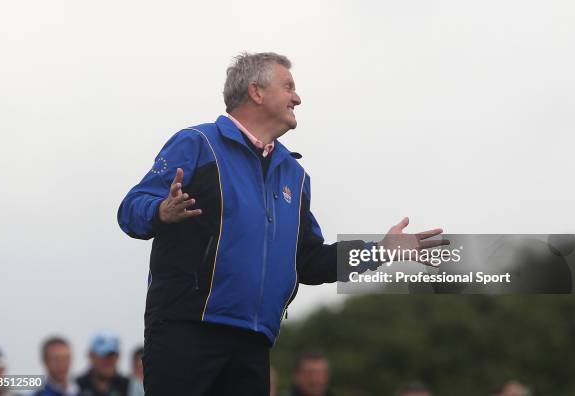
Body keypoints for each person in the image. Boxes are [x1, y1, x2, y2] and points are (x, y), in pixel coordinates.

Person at [118, 51, 447, 395]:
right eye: (288, 86)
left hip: (254, 341)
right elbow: (130, 209)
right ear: (256, 92)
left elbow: (310, 261)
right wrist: (160, 212)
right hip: (187, 329)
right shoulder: (198, 144)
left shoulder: (294, 175)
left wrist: (379, 252)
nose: (298, 97)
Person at [76, 331, 129, 396]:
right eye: (104, 355)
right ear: (91, 355)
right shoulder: (75, 387)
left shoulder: (131, 387)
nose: (109, 361)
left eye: (112, 355)